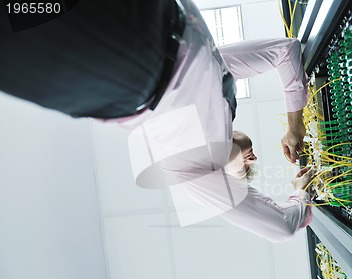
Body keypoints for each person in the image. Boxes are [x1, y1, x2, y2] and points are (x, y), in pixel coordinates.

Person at [0, 0, 315, 242]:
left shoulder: (189, 173)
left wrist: (299, 195)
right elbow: (285, 51)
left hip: (121, 78)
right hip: (156, 14)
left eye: (246, 171)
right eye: (254, 163)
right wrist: (294, 124)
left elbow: (280, 228)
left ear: (229, 180)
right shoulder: (222, 76)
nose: (252, 160)